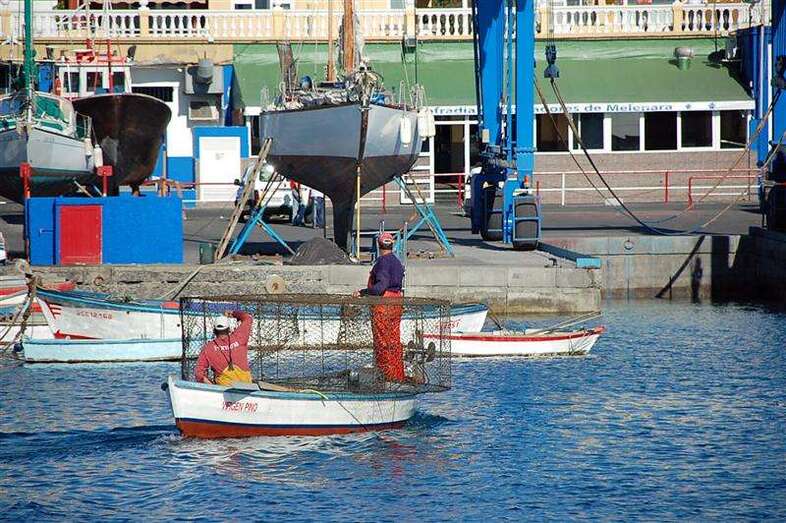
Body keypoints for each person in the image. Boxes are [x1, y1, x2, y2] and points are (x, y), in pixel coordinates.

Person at [353, 232, 405, 382]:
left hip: (384, 303)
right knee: (394, 340)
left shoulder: (382, 262)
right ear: (392, 245)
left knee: (382, 341)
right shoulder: (397, 262)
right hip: (397, 302)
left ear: (379, 245)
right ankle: (397, 375)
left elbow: (380, 286)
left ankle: (386, 376)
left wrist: (364, 292)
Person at [195, 310, 253, 386]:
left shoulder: (208, 348)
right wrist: (232, 313)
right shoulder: (239, 337)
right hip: (247, 388)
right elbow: (248, 318)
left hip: (224, 390)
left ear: (214, 331)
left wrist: (212, 387)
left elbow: (199, 374)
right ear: (228, 329)